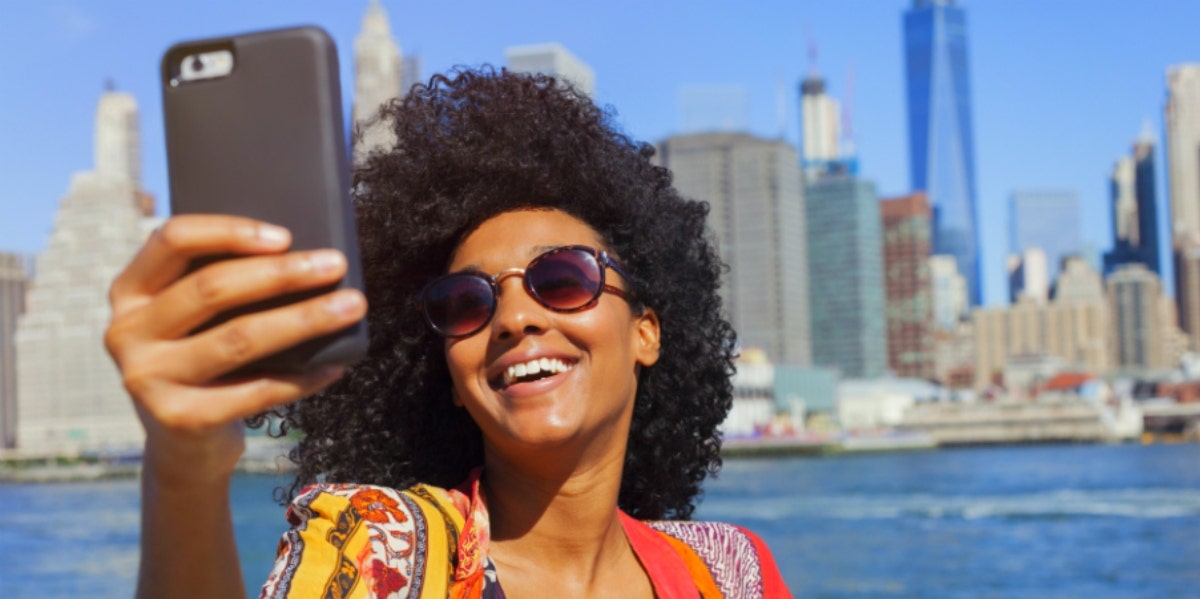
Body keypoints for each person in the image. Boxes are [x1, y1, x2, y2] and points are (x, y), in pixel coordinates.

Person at [105, 67, 790, 598]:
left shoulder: (728, 571)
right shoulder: (374, 545)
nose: (515, 317)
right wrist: (184, 467)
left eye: (562, 277)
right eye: (467, 301)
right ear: (455, 384)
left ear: (646, 331)